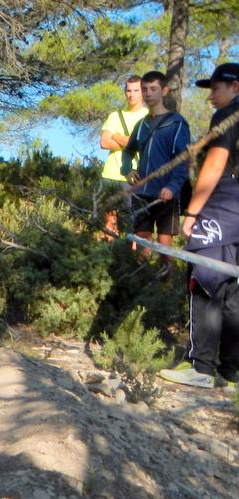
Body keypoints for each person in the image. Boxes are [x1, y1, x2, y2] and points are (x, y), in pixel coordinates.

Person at [159, 63, 239, 389]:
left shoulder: (227, 117)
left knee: (203, 279)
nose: (211, 97)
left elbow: (215, 163)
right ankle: (231, 372)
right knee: (233, 287)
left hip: (223, 204)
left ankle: (200, 367)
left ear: (235, 87)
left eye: (216, 88)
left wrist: (192, 213)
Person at [121, 71, 190, 276]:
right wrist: (127, 170)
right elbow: (128, 151)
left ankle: (164, 291)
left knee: (164, 250)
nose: (148, 94)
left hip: (166, 196)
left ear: (164, 90)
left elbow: (183, 160)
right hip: (142, 194)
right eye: (145, 89)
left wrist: (172, 186)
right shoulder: (141, 125)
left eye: (153, 89)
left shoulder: (177, 123)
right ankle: (141, 285)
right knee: (141, 246)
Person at [99, 75, 147, 237]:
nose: (131, 94)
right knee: (109, 224)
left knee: (134, 225)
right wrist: (132, 142)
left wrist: (117, 136)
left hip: (134, 177)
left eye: (136, 90)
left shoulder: (148, 117)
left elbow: (145, 144)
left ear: (142, 92)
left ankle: (131, 260)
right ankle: (110, 257)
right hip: (110, 175)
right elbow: (105, 142)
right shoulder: (115, 116)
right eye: (128, 90)